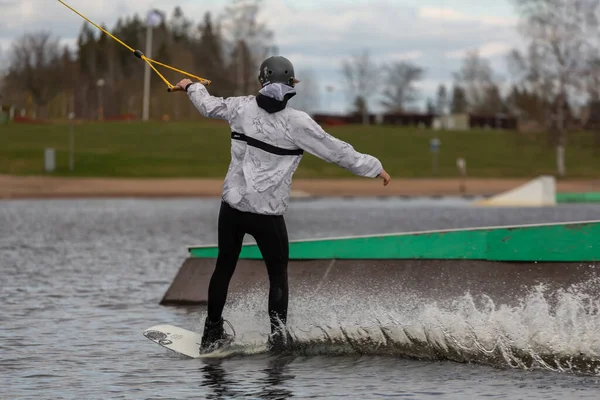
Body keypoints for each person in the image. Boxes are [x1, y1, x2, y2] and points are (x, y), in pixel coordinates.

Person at [174, 56, 390, 353]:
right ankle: (278, 338)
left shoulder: (240, 106)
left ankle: (211, 334)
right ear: (291, 84)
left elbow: (208, 105)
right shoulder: (297, 122)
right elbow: (336, 151)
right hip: (267, 213)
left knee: (224, 266)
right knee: (277, 276)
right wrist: (373, 166)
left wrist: (191, 86)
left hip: (233, 207)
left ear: (262, 81)